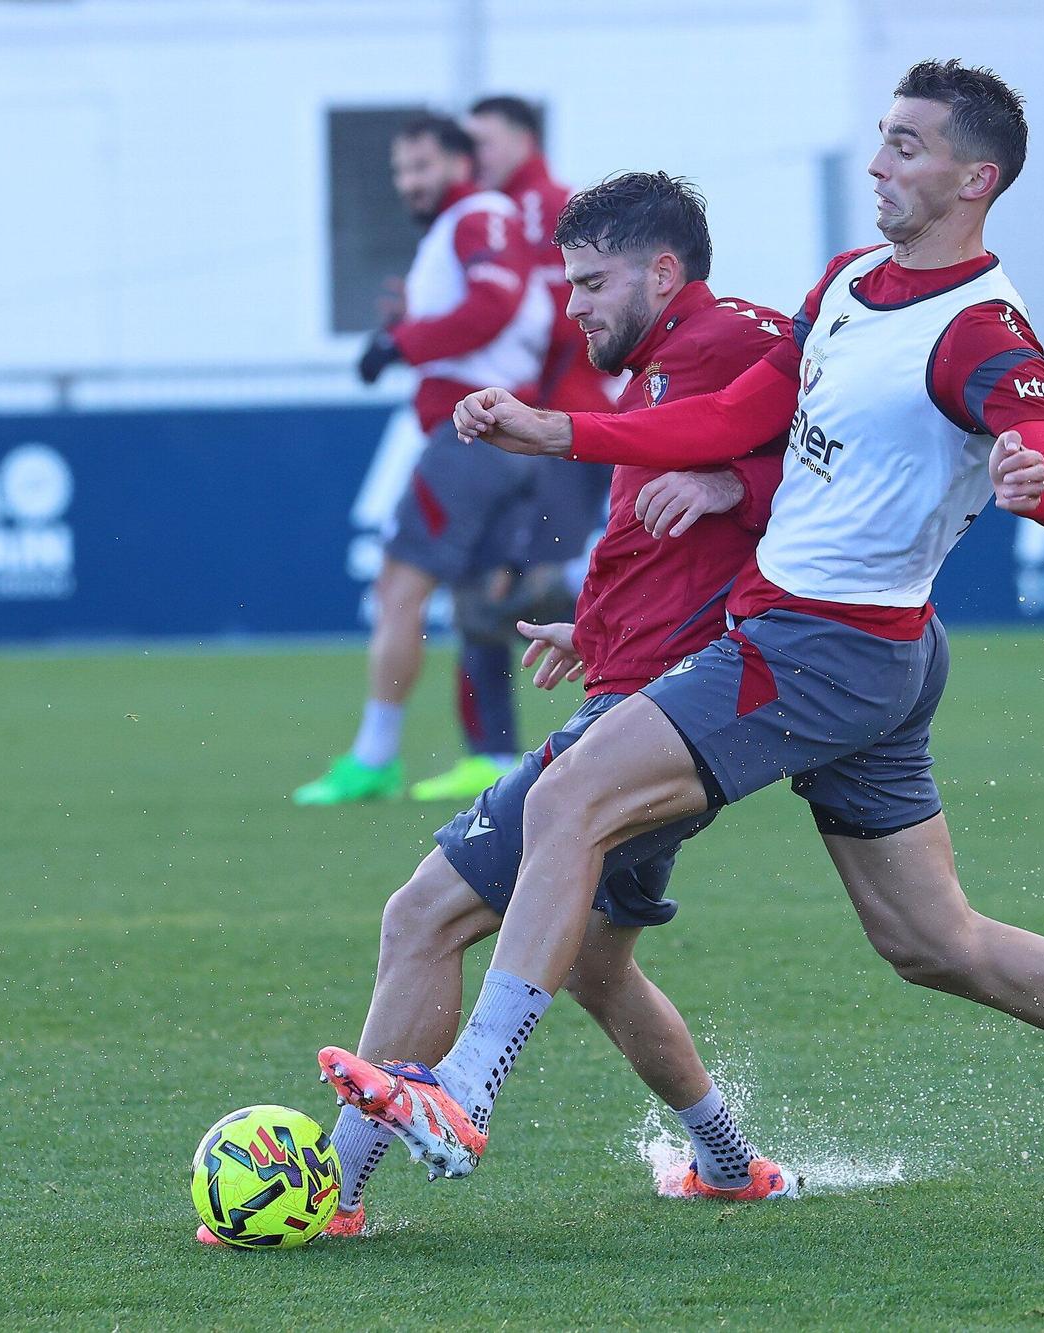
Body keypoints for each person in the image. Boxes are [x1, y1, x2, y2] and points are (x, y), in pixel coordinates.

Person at [326, 60, 1044, 1209]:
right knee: (934, 942)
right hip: (867, 657)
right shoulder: (850, 280)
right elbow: (746, 415)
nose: (878, 161)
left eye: (905, 144)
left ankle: (466, 1093)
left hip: (818, 652)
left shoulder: (975, 330)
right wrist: (563, 434)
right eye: (882, 138)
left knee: (568, 801)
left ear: (972, 177)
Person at [288, 172, 801, 1242]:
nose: (570, 306)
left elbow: (838, 460)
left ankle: (325, 1194)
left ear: (663, 271)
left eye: (588, 281)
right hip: (650, 692)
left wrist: (728, 487)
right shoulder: (692, 350)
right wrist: (600, 627)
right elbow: (726, 499)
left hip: (657, 720)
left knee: (422, 914)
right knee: (598, 967)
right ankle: (727, 1162)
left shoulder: (720, 348)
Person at [292, 116, 551, 808]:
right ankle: (494, 754)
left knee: (398, 592)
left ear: (462, 163)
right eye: (401, 171)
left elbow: (491, 306)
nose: (410, 182)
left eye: (423, 166)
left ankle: (374, 755)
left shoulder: (478, 214)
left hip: (472, 433)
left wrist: (399, 343)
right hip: (502, 435)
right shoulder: (466, 224)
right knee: (478, 603)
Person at [399, 96, 616, 806]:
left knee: (539, 585)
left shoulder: (565, 213)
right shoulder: (481, 219)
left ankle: (626, 716)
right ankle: (489, 751)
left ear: (524, 138)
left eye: (485, 141)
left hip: (569, 427)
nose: (475, 152)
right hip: (514, 423)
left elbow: (581, 322)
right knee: (482, 589)